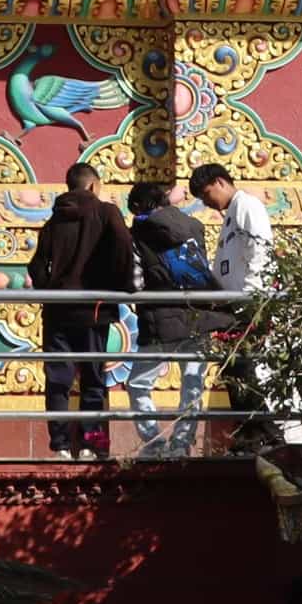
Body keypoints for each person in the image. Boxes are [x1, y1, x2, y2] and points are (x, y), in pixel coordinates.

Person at [28, 159, 139, 458]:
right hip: (94, 309)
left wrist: (49, 291)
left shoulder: (54, 221)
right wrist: (121, 287)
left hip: (57, 311)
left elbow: (36, 265)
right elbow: (123, 247)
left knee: (58, 380)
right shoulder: (106, 212)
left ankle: (61, 446)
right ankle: (91, 444)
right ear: (93, 185)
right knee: (93, 378)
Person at [126, 181, 216, 453]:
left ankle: (154, 444)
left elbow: (136, 282)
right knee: (192, 384)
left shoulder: (138, 233)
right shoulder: (193, 226)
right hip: (197, 315)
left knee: (138, 383)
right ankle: (181, 444)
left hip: (159, 318)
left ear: (139, 206)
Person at [195, 162, 276, 295]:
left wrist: (252, 292)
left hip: (248, 297)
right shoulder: (233, 210)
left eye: (206, 194)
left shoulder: (247, 204)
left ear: (219, 182)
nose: (206, 202)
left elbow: (259, 249)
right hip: (232, 298)